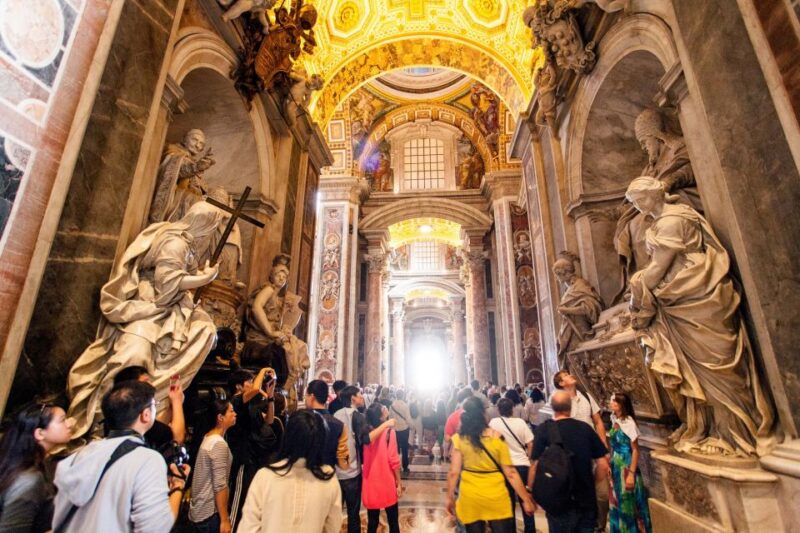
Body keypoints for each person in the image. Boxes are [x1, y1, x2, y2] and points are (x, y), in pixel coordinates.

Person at [626, 176, 774, 456]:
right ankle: (706, 427)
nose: (639, 208)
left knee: (716, 365)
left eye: (639, 201)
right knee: (694, 370)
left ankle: (737, 433)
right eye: (634, 203)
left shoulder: (673, 221)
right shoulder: (663, 221)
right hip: (678, 297)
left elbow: (658, 270)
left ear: (654, 194)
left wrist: (637, 287)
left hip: (695, 293)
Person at [67, 201, 228, 439]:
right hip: (151, 304)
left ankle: (157, 395)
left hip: (172, 306)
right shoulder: (175, 243)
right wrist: (204, 279)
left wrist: (197, 278)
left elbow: (181, 281)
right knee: (135, 354)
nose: (211, 235)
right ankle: (102, 418)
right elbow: (167, 284)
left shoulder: (188, 247)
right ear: (203, 225)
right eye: (212, 228)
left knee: (205, 330)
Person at [53, 381, 190, 532]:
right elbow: (156, 528)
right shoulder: (148, 460)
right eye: (154, 405)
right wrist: (178, 486)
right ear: (145, 415)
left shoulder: (82, 454)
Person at [238, 410, 342, 532]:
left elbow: (248, 528)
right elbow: (333, 527)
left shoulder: (265, 476)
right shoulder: (328, 478)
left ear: (288, 436)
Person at [447, 397, 535, 532]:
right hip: (495, 495)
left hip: (470, 496)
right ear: (483, 414)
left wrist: (450, 497)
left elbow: (454, 472)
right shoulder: (497, 437)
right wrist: (526, 499)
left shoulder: (459, 439)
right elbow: (510, 473)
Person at [529, 391, 609, 533]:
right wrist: (592, 483)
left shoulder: (543, 430)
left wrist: (531, 492)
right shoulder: (585, 428)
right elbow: (603, 464)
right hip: (585, 499)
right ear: (570, 407)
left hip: (558, 500)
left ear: (552, 407)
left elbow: (535, 466)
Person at [0, 404, 73, 532]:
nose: (70, 424)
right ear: (40, 433)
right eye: (62, 420)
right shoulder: (29, 479)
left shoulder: (39, 465)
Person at [553, 369, 610, 531]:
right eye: (566, 376)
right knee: (580, 494)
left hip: (593, 452)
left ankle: (599, 525)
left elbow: (598, 422)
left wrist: (603, 447)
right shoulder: (560, 402)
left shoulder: (585, 395)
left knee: (603, 495)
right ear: (561, 383)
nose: (570, 375)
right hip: (573, 456)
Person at [334, 386, 395, 533]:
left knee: (335, 513)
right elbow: (367, 439)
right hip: (352, 471)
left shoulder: (336, 414)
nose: (362, 397)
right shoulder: (357, 416)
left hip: (336, 471)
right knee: (353, 514)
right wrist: (386, 424)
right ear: (353, 398)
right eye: (359, 394)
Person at [226, 368, 279, 530]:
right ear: (239, 386)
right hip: (244, 458)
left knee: (253, 499)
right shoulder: (235, 401)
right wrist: (263, 370)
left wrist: (270, 397)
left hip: (257, 457)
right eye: (248, 381)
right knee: (239, 499)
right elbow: (256, 389)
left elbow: (269, 420)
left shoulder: (252, 404)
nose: (252, 384)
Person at [189, 398, 237, 533]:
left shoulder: (208, 437)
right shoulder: (218, 444)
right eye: (231, 411)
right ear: (220, 417)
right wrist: (225, 519)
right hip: (210, 513)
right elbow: (220, 485)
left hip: (199, 511)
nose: (235, 414)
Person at [607, 393, 652, 533]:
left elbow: (635, 450)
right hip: (615, 463)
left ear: (621, 404)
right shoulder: (614, 418)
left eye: (614, 401)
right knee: (617, 501)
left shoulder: (628, 423)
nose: (611, 403)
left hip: (626, 465)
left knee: (628, 504)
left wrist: (631, 474)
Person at [111, 366, 186, 450]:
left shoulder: (118, 413)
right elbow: (176, 441)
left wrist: (172, 407)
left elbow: (155, 427)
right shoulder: (134, 415)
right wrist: (177, 402)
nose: (151, 385)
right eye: (146, 382)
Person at [489, 398, 535, 533]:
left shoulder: (494, 423)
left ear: (498, 410)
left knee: (508, 503)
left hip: (505, 467)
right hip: (522, 465)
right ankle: (530, 529)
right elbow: (530, 443)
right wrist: (528, 457)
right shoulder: (520, 423)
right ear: (512, 409)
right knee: (525, 499)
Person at [361, 402, 402, 533]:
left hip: (370, 480)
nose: (386, 408)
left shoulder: (367, 432)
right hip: (386, 481)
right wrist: (399, 482)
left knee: (372, 523)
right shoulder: (389, 432)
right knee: (393, 521)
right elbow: (394, 460)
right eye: (383, 408)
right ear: (380, 417)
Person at [305, 380, 349, 469]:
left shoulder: (300, 420)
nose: (305, 399)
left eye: (306, 395)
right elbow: (343, 464)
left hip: (303, 477)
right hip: (327, 476)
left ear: (312, 397)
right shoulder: (339, 425)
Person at [388, 389, 412, 474]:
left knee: (396, 449)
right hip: (404, 429)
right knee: (405, 448)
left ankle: (396, 466)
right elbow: (408, 418)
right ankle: (405, 467)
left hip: (395, 429)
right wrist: (411, 426)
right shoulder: (405, 405)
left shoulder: (392, 405)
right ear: (402, 395)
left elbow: (390, 417)